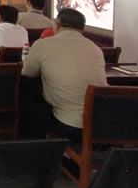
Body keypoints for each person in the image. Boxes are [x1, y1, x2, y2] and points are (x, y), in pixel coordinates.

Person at [21, 8, 107, 142]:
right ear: (82, 28)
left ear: (56, 24)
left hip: (69, 125)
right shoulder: (96, 48)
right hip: (101, 122)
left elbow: (27, 72)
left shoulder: (42, 44)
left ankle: (34, 144)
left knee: (30, 88)